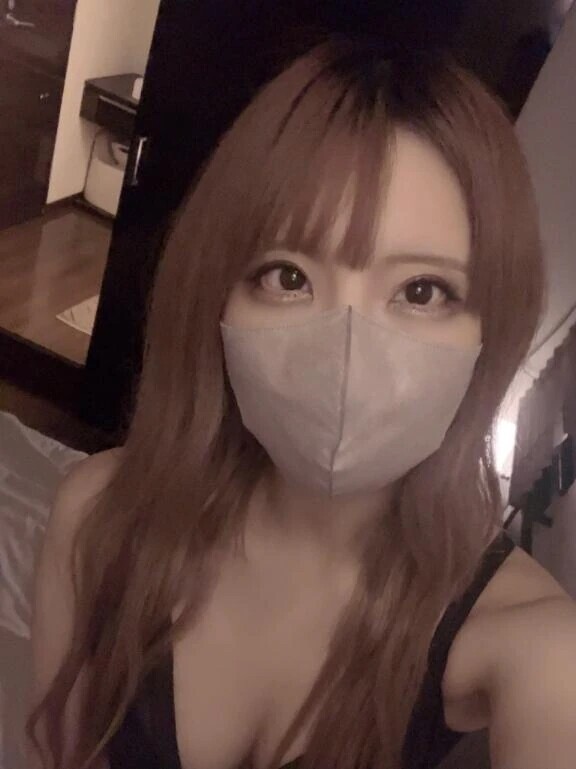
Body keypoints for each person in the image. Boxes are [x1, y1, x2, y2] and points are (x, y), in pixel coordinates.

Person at [27, 36, 576, 769]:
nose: (344, 349)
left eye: (421, 291)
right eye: (288, 276)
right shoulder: (98, 517)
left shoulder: (540, 651)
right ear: (218, 298)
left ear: (491, 329)